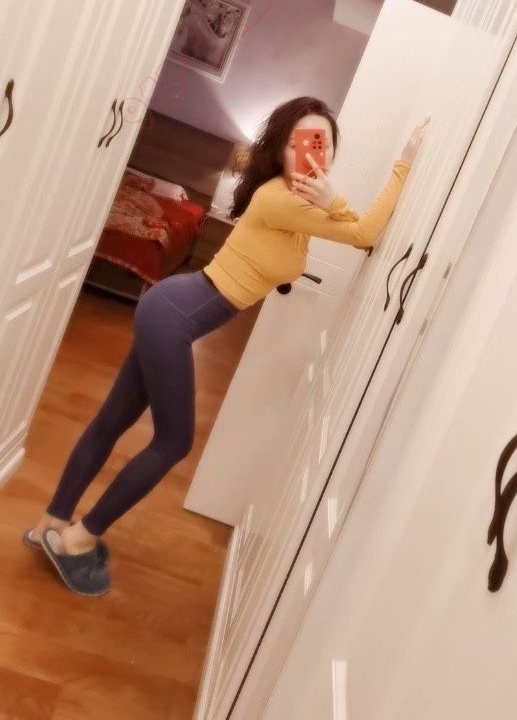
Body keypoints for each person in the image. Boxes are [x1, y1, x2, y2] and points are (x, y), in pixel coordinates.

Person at [30, 95, 430, 595]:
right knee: (172, 442)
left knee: (115, 420)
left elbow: (360, 235)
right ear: (280, 149)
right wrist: (404, 163)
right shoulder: (281, 199)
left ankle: (53, 522)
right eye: (300, 142)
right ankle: (78, 538)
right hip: (173, 317)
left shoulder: (299, 203)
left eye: (322, 142)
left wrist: (329, 202)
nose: (313, 152)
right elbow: (364, 231)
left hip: (169, 312)